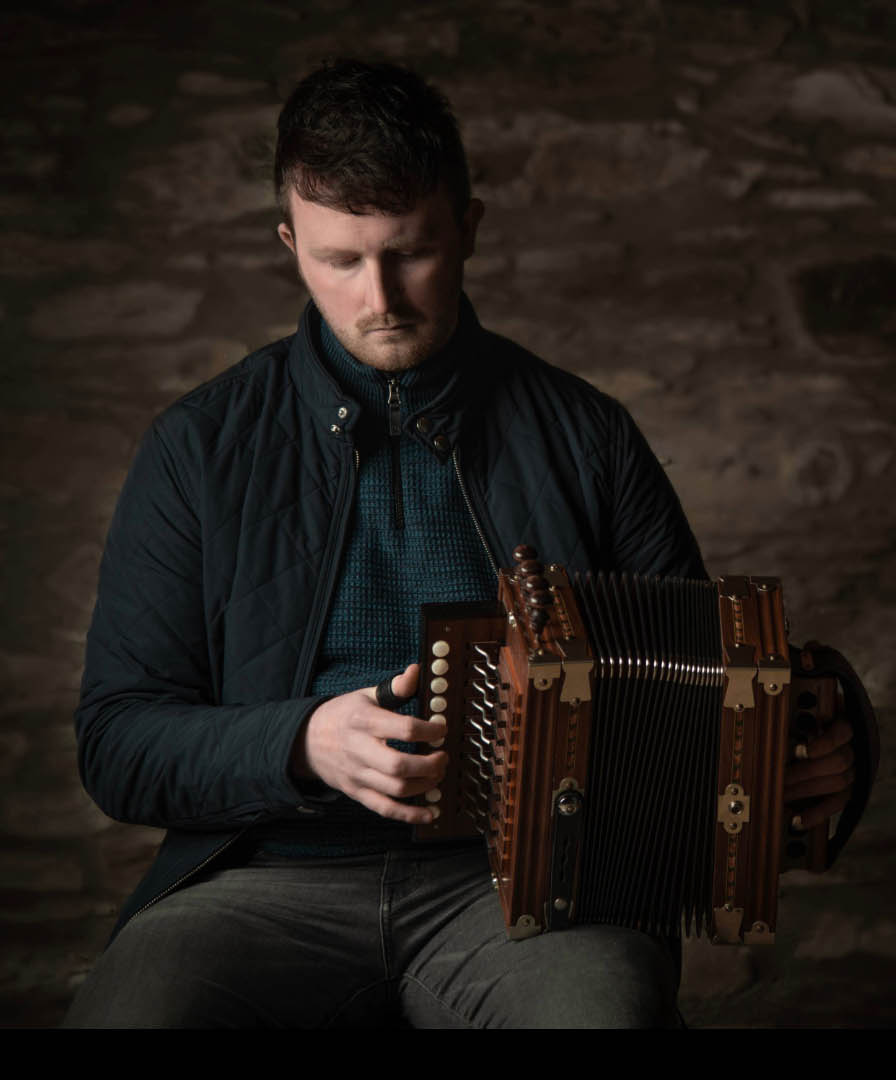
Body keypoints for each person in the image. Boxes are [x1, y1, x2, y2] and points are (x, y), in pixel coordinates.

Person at [68, 59, 854, 1027]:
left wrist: (796, 748)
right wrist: (303, 741)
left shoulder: (589, 433)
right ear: (288, 244)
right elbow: (118, 744)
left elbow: (699, 691)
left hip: (532, 892)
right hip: (259, 880)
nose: (380, 296)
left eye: (412, 251)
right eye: (339, 261)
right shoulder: (197, 445)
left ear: (469, 228)